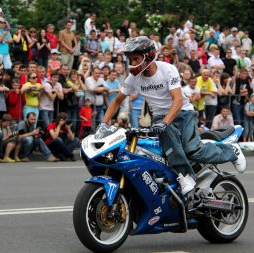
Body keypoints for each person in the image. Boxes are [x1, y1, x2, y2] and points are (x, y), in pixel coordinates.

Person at [101, 36, 246, 196]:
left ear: (148, 56)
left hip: (183, 112)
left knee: (192, 151)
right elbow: (116, 102)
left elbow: (177, 100)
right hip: (160, 118)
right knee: (161, 150)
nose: (132, 63)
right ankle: (183, 175)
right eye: (130, 59)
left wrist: (165, 123)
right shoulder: (133, 78)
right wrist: (103, 125)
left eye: (135, 59)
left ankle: (231, 151)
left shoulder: (167, 69)